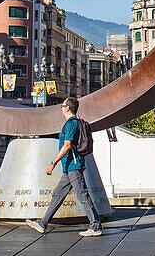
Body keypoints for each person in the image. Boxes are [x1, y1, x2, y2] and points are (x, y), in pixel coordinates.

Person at [26, 97, 103, 237]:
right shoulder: (74, 122)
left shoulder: (71, 124)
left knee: (82, 195)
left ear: (67, 108)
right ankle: (42, 223)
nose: (61, 108)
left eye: (62, 106)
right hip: (69, 167)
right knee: (58, 194)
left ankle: (95, 226)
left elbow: (67, 145)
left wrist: (53, 163)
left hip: (73, 166)